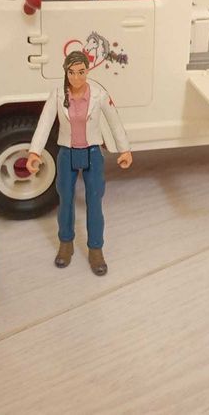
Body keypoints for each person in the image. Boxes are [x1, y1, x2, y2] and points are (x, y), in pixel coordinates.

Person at [27, 51, 132, 276]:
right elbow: (45, 123)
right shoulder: (57, 94)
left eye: (81, 72)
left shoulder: (99, 95)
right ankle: (66, 243)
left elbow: (114, 121)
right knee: (65, 200)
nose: (76, 78)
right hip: (67, 152)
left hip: (92, 153)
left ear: (88, 70)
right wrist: (35, 152)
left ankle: (96, 249)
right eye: (72, 73)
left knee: (94, 201)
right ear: (66, 72)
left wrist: (124, 149)